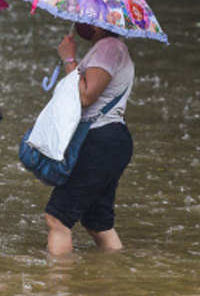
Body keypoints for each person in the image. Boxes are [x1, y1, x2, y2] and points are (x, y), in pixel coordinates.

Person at [44, 22, 134, 255]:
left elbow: (85, 96)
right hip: (110, 140)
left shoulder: (108, 48)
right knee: (97, 223)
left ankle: (59, 284)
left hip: (100, 139)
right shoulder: (109, 48)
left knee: (57, 218)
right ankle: (112, 273)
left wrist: (68, 58)